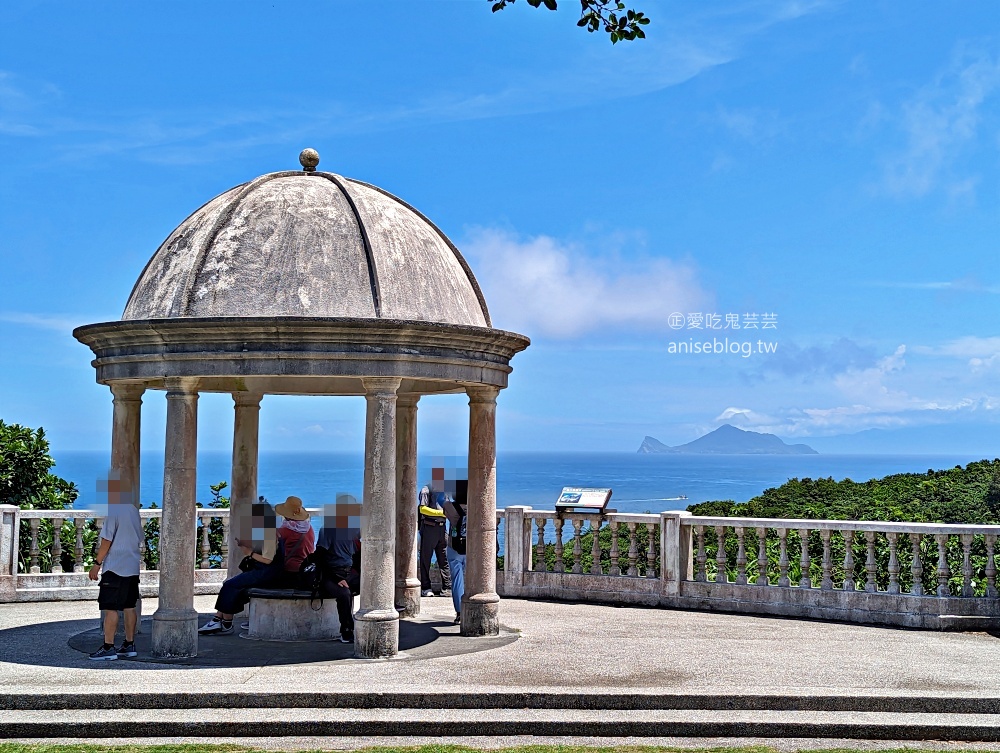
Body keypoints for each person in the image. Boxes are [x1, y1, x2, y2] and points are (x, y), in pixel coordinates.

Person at [199, 495, 315, 635]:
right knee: (235, 586)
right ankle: (221, 620)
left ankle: (222, 622)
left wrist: (249, 552)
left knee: (231, 585)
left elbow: (268, 558)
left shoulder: (280, 532)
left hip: (278, 572)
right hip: (296, 570)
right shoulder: (308, 529)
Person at [88, 474, 144, 661]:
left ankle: (108, 647)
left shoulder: (114, 512)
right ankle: (129, 644)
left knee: (109, 607)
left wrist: (96, 565)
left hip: (115, 567)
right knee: (129, 606)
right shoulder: (133, 511)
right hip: (132, 566)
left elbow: (106, 540)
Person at [316, 496, 361, 644]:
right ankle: (346, 630)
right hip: (330, 574)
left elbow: (357, 553)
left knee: (371, 585)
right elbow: (320, 557)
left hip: (348, 572)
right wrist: (336, 578)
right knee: (344, 594)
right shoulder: (328, 529)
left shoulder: (353, 529)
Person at [417, 469, 452, 598]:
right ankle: (426, 588)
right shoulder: (426, 490)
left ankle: (447, 587)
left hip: (442, 529)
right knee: (425, 559)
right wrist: (440, 513)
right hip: (429, 527)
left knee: (444, 558)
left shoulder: (445, 492)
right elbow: (423, 509)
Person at [443, 480, 468, 626]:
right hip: (471, 548)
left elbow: (442, 501)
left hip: (454, 548)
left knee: (457, 580)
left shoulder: (450, 507)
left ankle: (459, 612)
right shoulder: (475, 507)